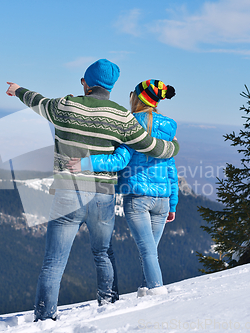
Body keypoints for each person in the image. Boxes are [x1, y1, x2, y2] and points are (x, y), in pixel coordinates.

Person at [6, 60, 179, 321]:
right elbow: (152, 147)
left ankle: (44, 317)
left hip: (68, 193)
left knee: (54, 262)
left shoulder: (64, 105)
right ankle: (108, 306)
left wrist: (17, 90)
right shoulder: (122, 116)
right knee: (103, 252)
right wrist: (174, 148)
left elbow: (37, 101)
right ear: (111, 87)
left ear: (86, 83)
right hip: (103, 195)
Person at [68, 79, 179, 297]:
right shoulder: (168, 130)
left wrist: (86, 163)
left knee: (148, 251)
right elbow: (171, 170)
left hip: (137, 198)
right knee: (150, 252)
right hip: (162, 200)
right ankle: (146, 291)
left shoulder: (130, 125)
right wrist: (173, 202)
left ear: (137, 99)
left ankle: (157, 294)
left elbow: (118, 161)